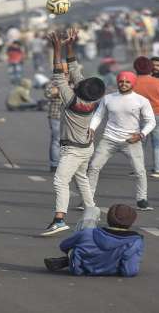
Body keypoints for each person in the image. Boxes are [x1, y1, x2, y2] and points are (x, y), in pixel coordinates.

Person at [42, 29, 105, 237]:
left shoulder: (72, 100)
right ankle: (91, 210)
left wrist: (57, 47)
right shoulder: (92, 100)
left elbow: (59, 75)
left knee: (60, 181)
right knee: (82, 179)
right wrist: (69, 45)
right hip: (86, 147)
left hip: (73, 150)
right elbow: (74, 70)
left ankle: (59, 219)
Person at [87, 70, 157, 211]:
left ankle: (141, 199)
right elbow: (98, 115)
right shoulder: (108, 98)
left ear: (133, 83)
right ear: (117, 82)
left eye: (127, 82)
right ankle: (87, 200)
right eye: (121, 81)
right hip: (109, 139)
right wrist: (92, 128)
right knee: (94, 167)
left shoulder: (141, 100)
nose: (124, 84)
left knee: (139, 171)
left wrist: (141, 135)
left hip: (131, 140)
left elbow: (151, 122)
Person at [44, 204, 143, 277]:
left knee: (92, 210)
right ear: (131, 222)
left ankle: (70, 259)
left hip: (80, 269)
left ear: (109, 219)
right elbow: (129, 271)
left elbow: (63, 246)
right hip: (111, 268)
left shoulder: (88, 233)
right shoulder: (134, 242)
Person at [132, 56, 159, 178]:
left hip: (138, 115)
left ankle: (138, 169)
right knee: (158, 144)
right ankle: (158, 170)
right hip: (158, 114)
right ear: (150, 68)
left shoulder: (132, 82)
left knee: (139, 144)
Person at [44, 64, 67, 173]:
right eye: (63, 72)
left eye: (67, 73)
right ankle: (54, 164)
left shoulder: (75, 82)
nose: (65, 75)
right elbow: (48, 93)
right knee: (56, 140)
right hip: (56, 115)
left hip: (72, 118)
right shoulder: (54, 81)